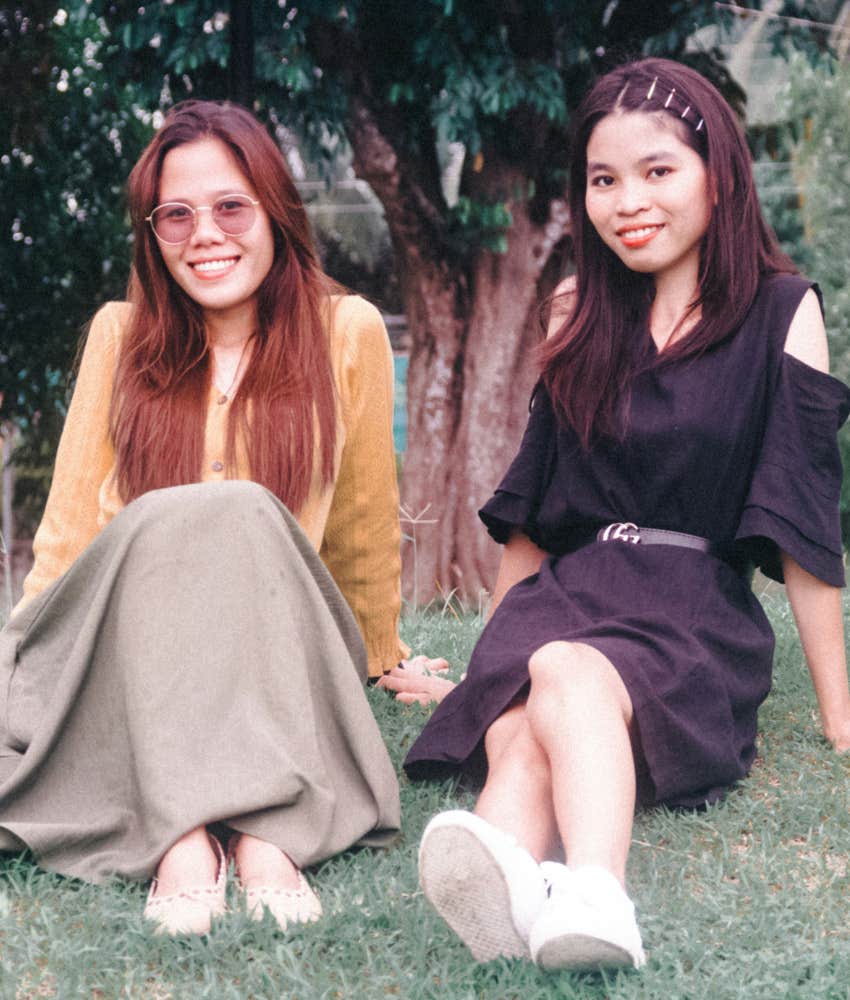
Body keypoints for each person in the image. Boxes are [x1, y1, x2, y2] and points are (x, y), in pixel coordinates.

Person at [397, 57, 850, 972]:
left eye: (657, 171)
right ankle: (521, 892)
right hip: (568, 589)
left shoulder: (781, 311)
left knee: (563, 672)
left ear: (716, 180)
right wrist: (487, 666)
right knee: (526, 714)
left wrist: (841, 718)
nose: (627, 201)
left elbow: (804, 522)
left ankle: (594, 891)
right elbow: (533, 513)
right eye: (604, 180)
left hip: (692, 610)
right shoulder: (577, 308)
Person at [0, 99, 442, 936]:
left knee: (239, 514)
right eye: (176, 215)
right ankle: (189, 840)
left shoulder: (343, 333)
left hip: (267, 648)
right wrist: (25, 657)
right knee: (190, 517)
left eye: (231, 207)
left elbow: (358, 527)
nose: (205, 234)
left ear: (276, 213)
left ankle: (264, 837)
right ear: (153, 234)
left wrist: (379, 655)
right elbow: (67, 532)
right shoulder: (119, 334)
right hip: (129, 649)